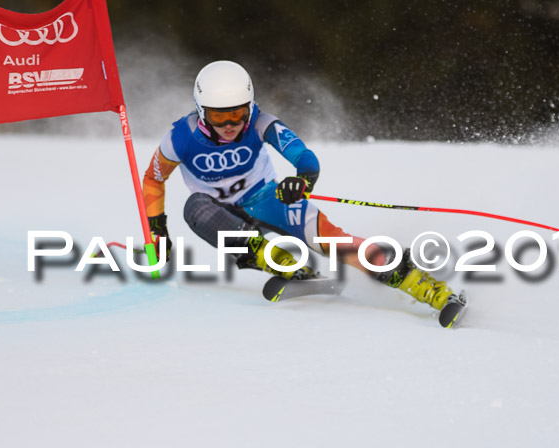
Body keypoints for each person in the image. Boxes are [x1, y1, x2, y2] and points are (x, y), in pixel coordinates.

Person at [142, 60, 459, 315]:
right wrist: (158, 230)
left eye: (237, 113)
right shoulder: (179, 138)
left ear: (250, 107)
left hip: (268, 198)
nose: (229, 124)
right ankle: (281, 261)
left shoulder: (261, 122)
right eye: (218, 116)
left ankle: (426, 287)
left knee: (335, 243)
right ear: (201, 112)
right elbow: (154, 179)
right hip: (217, 212)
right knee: (195, 205)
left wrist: (302, 180)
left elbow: (305, 158)